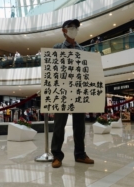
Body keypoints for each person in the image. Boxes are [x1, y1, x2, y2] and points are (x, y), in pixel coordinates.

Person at [51, 19, 94, 168]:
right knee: (59, 125)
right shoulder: (57, 48)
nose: (74, 29)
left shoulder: (82, 50)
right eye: (71, 27)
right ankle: (57, 155)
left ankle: (80, 154)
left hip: (78, 91)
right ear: (64, 30)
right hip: (62, 91)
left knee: (79, 126)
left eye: (76, 27)